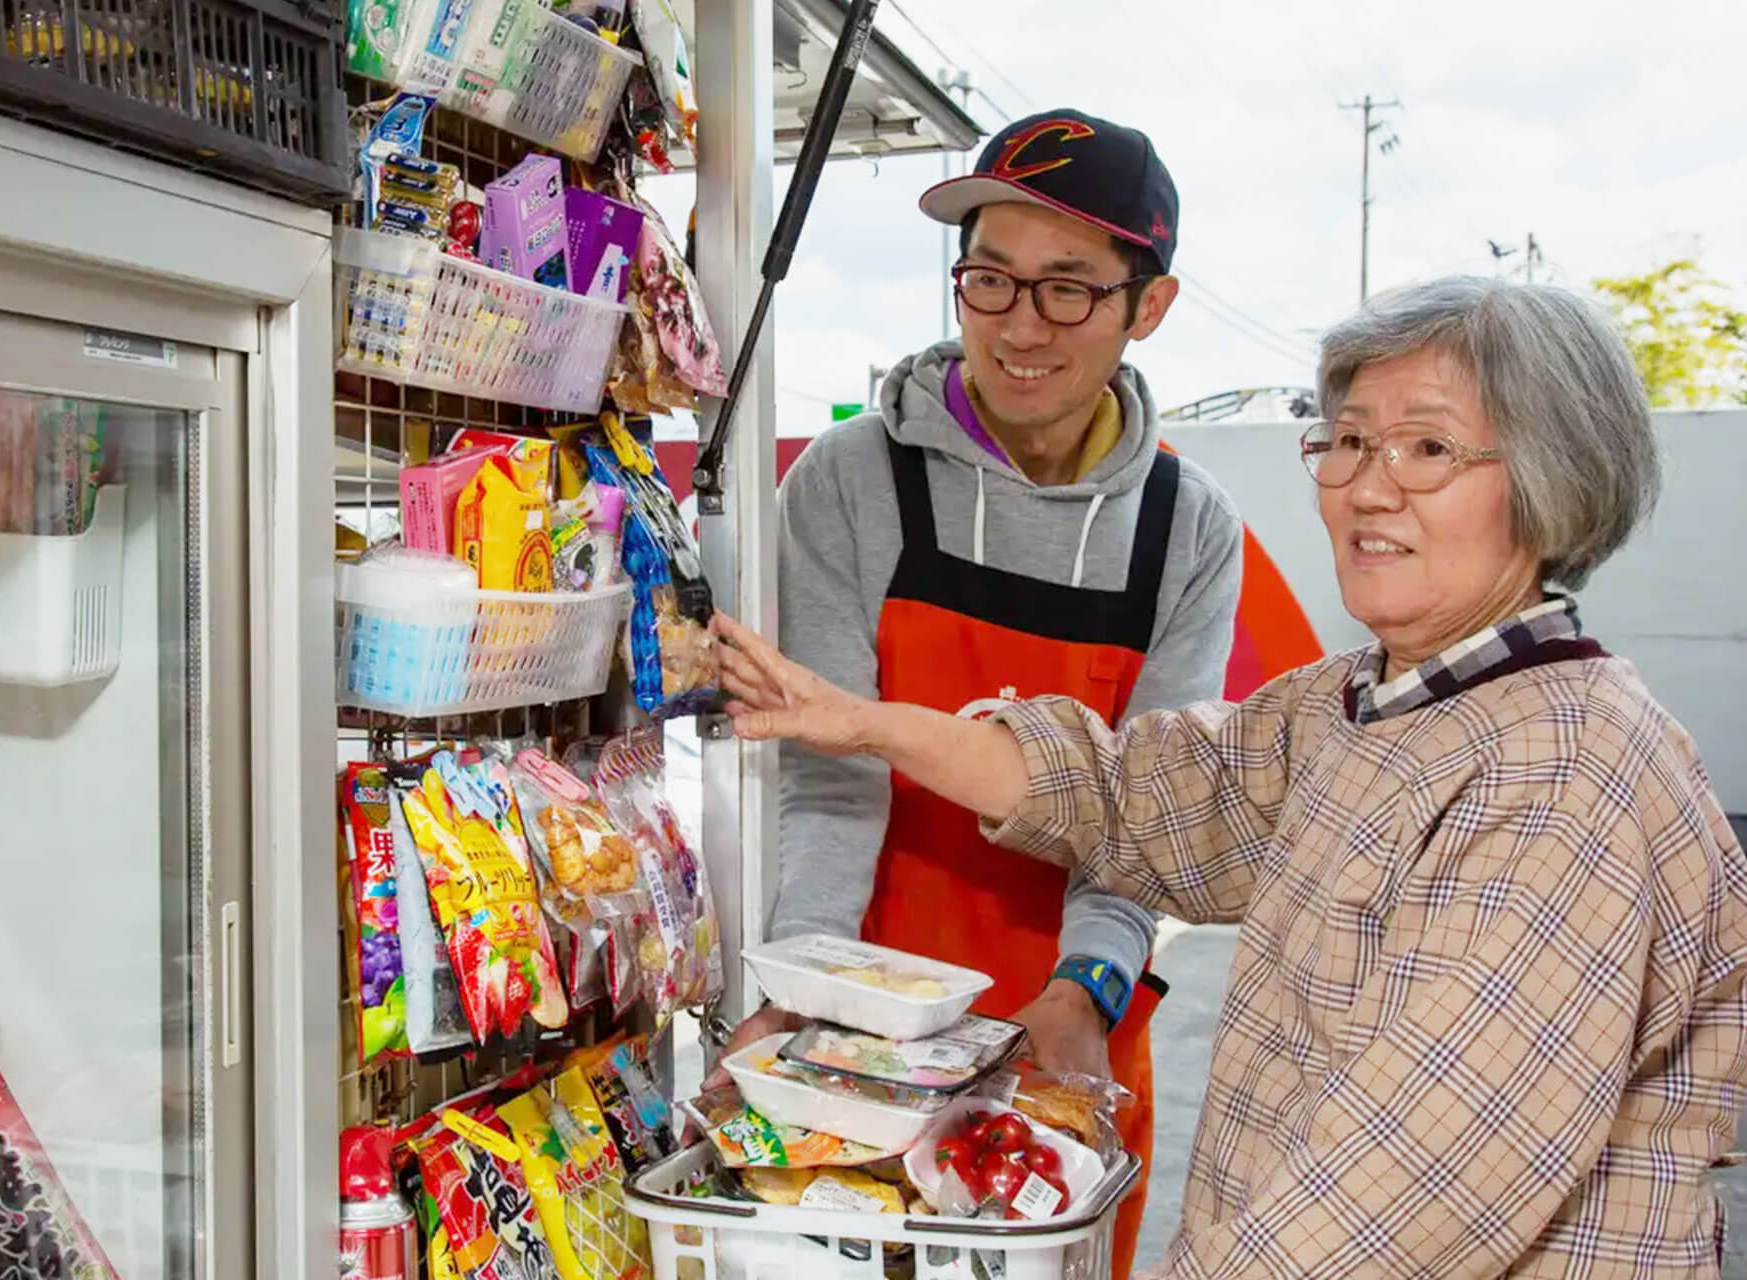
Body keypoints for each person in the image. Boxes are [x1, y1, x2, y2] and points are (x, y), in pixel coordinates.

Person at [715, 276, 1747, 1277]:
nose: (1365, 484)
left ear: (1548, 478)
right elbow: (1129, 790)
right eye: (1345, 439)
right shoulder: (1354, 705)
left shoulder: (1564, 768)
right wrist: (856, 721)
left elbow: (1395, 1190)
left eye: (1425, 447)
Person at [727, 108, 1245, 1278]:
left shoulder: (1186, 529)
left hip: (1065, 1017)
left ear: (1145, 305)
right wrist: (807, 992)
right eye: (989, 280)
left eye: (1067, 288)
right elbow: (829, 780)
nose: (1019, 326)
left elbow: (1151, 815)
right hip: (862, 1021)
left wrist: (1087, 990)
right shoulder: (854, 480)